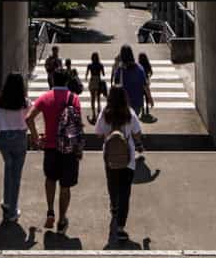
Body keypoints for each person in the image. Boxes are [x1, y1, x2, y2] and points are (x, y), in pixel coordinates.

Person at [26, 68, 83, 232]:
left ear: (52, 79)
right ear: (66, 81)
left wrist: (36, 138)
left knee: (50, 179)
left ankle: (50, 211)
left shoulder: (45, 98)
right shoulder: (74, 99)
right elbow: (77, 126)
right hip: (69, 149)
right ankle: (62, 219)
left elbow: (29, 118)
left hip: (50, 147)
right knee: (65, 186)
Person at [95, 85, 144, 243]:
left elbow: (98, 132)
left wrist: (108, 135)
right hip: (127, 158)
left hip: (109, 156)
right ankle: (121, 227)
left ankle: (114, 205)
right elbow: (137, 133)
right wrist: (139, 144)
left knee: (112, 183)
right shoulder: (129, 113)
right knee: (125, 191)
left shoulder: (105, 113)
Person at [0, 72, 29, 222]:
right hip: (20, 139)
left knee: (8, 169)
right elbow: (29, 119)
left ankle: (7, 202)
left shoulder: (0, 103)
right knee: (16, 175)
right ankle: (12, 211)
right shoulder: (25, 102)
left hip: (4, 139)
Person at [111, 44, 149, 117]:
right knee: (133, 121)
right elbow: (145, 85)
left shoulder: (120, 70)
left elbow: (115, 85)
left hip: (123, 103)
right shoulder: (139, 68)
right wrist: (149, 98)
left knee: (124, 124)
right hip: (137, 102)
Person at [85, 52, 106, 123]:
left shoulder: (89, 65)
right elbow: (103, 74)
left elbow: (87, 74)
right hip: (98, 81)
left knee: (92, 98)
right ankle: (99, 113)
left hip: (92, 80)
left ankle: (93, 115)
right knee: (98, 99)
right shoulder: (100, 65)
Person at [137, 52, 155, 118]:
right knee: (147, 95)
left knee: (141, 96)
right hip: (146, 82)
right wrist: (148, 76)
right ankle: (147, 107)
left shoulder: (138, 65)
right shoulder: (148, 65)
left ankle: (143, 109)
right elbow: (151, 72)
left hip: (139, 83)